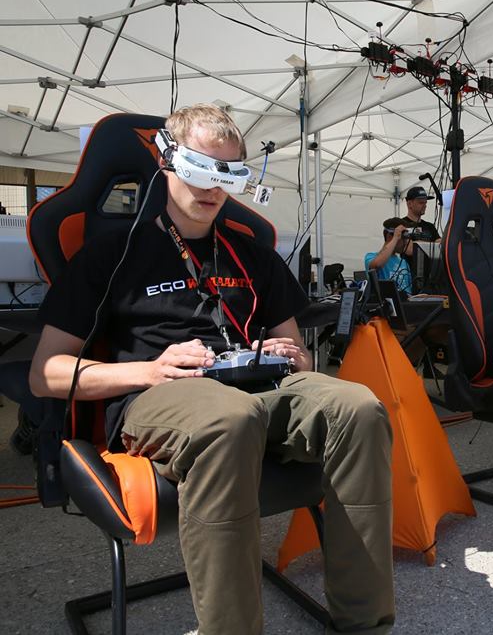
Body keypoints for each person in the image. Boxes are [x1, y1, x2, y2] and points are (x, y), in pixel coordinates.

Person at [29, 104, 395, 634]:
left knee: (358, 407)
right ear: (167, 162)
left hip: (257, 387)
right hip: (162, 394)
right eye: (201, 169)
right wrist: (150, 370)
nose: (213, 188)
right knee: (229, 419)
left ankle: (365, 623)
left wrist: (288, 355)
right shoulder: (110, 255)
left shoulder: (253, 255)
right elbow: (46, 373)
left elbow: (301, 354)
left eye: (228, 174)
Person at [365, 216, 414, 294]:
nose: (405, 243)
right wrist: (395, 238)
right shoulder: (371, 256)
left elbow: (409, 291)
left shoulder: (403, 262)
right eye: (403, 238)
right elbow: (377, 264)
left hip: (404, 300)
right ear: (389, 236)